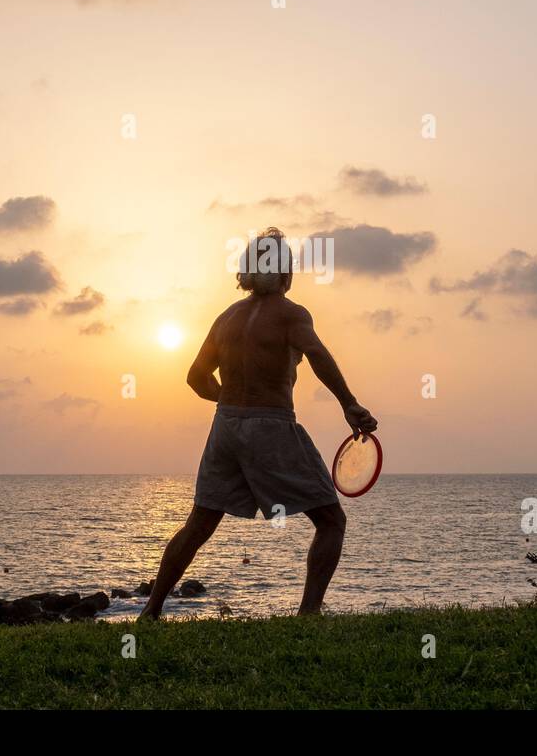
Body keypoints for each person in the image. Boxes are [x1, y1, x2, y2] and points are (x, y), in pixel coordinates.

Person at [139, 228, 377, 619]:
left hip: (225, 427)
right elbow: (316, 353)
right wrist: (349, 405)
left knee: (198, 524)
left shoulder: (226, 318)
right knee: (331, 520)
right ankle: (309, 614)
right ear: (286, 275)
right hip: (271, 424)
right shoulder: (291, 314)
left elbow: (196, 377)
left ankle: (150, 611)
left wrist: (232, 402)